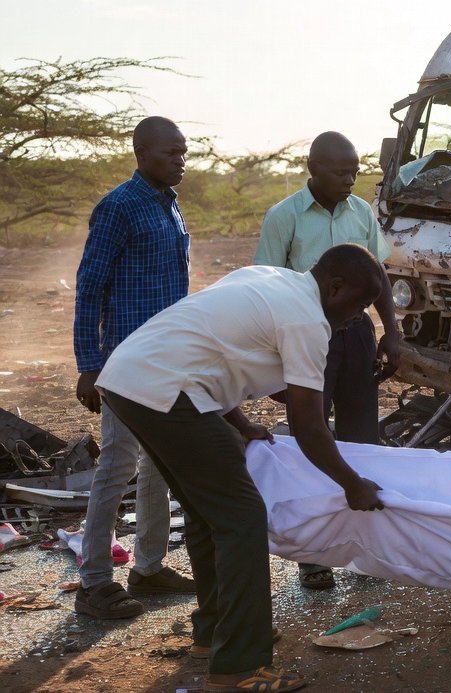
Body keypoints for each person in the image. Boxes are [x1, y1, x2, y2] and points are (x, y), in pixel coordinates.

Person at [96, 244, 388, 692]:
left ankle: (215, 633)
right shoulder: (308, 321)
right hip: (169, 394)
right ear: (334, 287)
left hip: (131, 380)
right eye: (359, 304)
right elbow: (308, 427)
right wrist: (353, 485)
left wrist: (242, 422)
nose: (356, 316)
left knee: (206, 514)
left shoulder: (270, 278)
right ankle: (239, 667)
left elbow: (213, 352)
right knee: (242, 517)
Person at [253, 130, 401, 590]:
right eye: (341, 171)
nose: (350, 179)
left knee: (362, 437)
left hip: (354, 332)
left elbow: (378, 277)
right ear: (313, 168)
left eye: (355, 171)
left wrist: (391, 332)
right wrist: (274, 361)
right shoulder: (284, 216)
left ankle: (364, 549)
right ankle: (314, 555)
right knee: (310, 436)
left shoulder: (362, 213)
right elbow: (267, 286)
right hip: (304, 335)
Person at [73, 116, 196, 620]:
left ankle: (147, 567)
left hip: (169, 358)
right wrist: (88, 364)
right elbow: (89, 287)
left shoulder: (170, 204)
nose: (180, 161)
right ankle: (94, 583)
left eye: (184, 153)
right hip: (126, 360)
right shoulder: (119, 207)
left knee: (160, 464)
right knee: (117, 467)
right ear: (141, 152)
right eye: (171, 153)